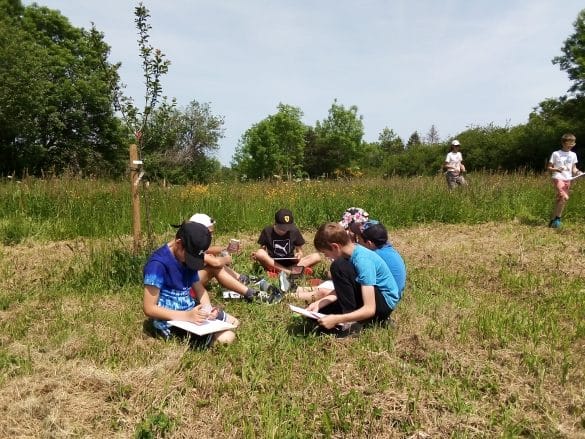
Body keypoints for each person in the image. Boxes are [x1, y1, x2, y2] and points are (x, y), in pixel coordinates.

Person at [143, 221, 238, 347]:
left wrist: (207, 309)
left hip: (192, 315)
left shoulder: (186, 258)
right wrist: (186, 316)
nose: (191, 262)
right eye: (190, 257)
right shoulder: (157, 265)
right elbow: (149, 308)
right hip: (170, 323)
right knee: (227, 337)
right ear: (178, 244)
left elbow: (200, 290)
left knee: (234, 322)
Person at [306, 222, 400, 332]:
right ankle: (350, 319)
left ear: (335, 247)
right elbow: (344, 289)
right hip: (368, 300)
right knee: (316, 316)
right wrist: (319, 303)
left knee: (337, 266)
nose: (326, 257)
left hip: (382, 305)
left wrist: (337, 319)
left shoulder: (362, 260)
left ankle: (351, 325)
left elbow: (370, 309)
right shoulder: (350, 255)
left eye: (325, 253)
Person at [294, 207, 370, 302]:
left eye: (351, 230)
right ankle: (293, 286)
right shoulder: (349, 248)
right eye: (346, 229)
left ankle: (289, 293)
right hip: (357, 287)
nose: (347, 232)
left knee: (324, 291)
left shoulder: (363, 252)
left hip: (365, 293)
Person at [188, 213, 257, 301]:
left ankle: (240, 279)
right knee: (215, 267)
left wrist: (226, 250)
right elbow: (216, 263)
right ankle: (250, 294)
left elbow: (208, 250)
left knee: (213, 261)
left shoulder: (190, 240)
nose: (212, 236)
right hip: (186, 287)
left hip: (188, 281)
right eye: (210, 233)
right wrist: (226, 259)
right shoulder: (190, 245)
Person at [252, 208, 321, 276]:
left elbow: (299, 251)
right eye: (282, 227)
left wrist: (298, 255)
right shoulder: (267, 231)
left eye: (288, 227)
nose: (285, 229)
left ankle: (281, 272)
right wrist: (257, 256)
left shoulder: (294, 231)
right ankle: (293, 272)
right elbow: (262, 249)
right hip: (273, 262)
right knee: (260, 253)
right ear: (275, 223)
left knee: (316, 256)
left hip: (290, 262)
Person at [355, 221, 406, 297]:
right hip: (393, 293)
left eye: (359, 240)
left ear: (369, 243)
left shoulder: (374, 256)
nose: (357, 243)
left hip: (384, 297)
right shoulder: (388, 250)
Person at [547, 133, 583, 228]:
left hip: (568, 179)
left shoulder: (573, 155)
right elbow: (549, 167)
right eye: (569, 143)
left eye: (572, 144)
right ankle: (558, 219)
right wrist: (557, 169)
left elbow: (574, 169)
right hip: (558, 177)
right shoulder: (556, 154)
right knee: (564, 197)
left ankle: (552, 221)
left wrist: (578, 172)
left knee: (560, 200)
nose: (570, 146)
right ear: (563, 143)